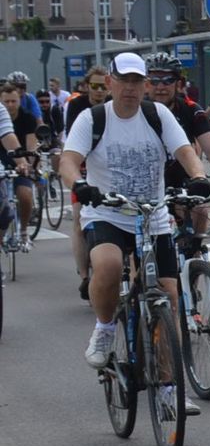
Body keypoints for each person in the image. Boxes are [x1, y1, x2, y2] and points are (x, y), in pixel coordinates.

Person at [59, 53, 210, 378]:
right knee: (110, 265)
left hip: (152, 215)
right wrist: (81, 185)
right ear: (111, 82)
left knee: (170, 296)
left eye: (136, 82)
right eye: (123, 80)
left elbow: (185, 151)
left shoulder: (157, 116)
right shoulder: (92, 118)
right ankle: (103, 328)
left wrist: (198, 176)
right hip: (107, 214)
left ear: (144, 86)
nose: (129, 88)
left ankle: (170, 387)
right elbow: (68, 162)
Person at [145, 53, 210, 249]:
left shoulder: (191, 110)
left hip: (181, 180)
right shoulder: (137, 109)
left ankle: (192, 262)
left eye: (168, 80)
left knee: (200, 211)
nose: (161, 86)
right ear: (146, 83)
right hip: (146, 182)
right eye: (154, 80)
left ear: (178, 83)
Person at [65, 67, 109, 299]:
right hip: (83, 167)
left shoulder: (114, 104)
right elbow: (73, 140)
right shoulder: (76, 106)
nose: (100, 91)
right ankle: (84, 276)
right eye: (95, 86)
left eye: (104, 86)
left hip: (107, 170)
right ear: (86, 86)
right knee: (78, 218)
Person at [0, 82, 38, 250]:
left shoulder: (27, 117)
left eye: (13, 101)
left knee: (24, 194)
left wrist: (26, 165)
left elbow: (25, 144)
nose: (9, 105)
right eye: (6, 101)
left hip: (17, 159)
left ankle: (23, 230)